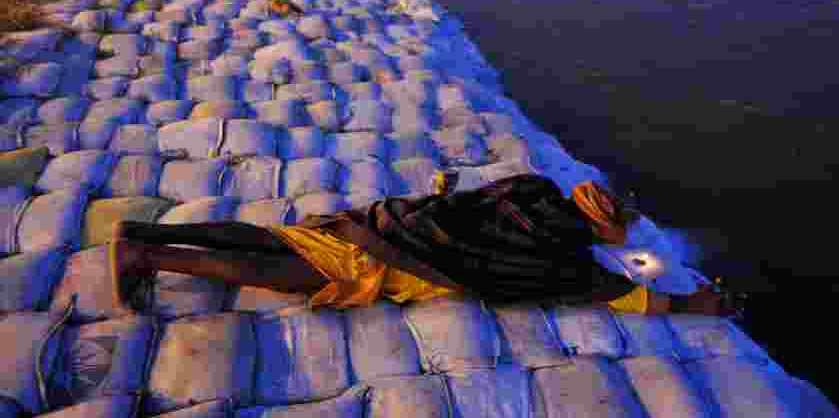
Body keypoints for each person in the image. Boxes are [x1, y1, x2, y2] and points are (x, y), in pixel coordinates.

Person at [110, 174, 738, 317]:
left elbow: (468, 203)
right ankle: (147, 257)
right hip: (401, 262)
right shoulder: (563, 253)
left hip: (394, 224)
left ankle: (149, 234)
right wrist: (693, 306)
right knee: (279, 269)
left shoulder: (536, 187)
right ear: (604, 230)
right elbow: (616, 295)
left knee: (274, 237)